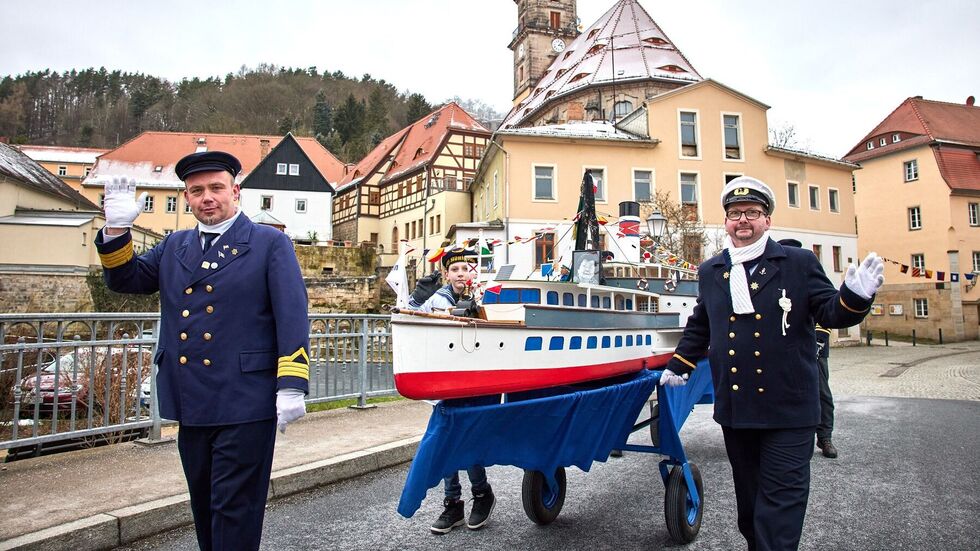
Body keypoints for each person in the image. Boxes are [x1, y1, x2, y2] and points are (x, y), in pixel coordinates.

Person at [94, 151, 310, 551]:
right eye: (196, 191)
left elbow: (292, 315)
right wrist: (116, 230)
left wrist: (292, 383)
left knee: (233, 508)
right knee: (204, 504)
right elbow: (125, 280)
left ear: (236, 192)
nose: (206, 197)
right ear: (188, 198)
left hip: (245, 400)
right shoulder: (175, 245)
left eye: (215, 188)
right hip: (191, 399)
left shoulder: (269, 243)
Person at [660, 176, 883, 551]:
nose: (742, 220)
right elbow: (702, 322)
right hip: (737, 411)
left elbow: (830, 310)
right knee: (750, 508)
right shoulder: (713, 271)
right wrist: (680, 363)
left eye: (752, 212)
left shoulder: (797, 262)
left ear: (767, 220)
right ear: (726, 221)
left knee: (779, 507)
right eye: (734, 214)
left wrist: (854, 297)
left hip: (789, 410)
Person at [407, 248, 496, 534]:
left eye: (464, 270)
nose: (460, 275)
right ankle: (453, 503)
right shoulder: (439, 297)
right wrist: (417, 299)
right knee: (447, 441)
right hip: (447, 380)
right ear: (446, 274)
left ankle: (482, 495)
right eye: (454, 271)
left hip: (475, 381)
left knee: (467, 441)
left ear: (472, 272)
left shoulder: (482, 295)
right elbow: (415, 318)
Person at [777, 239, 839, 459]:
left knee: (821, 392)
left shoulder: (808, 272)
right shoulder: (776, 280)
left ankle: (825, 437)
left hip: (815, 346)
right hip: (785, 348)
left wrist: (820, 340)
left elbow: (826, 308)